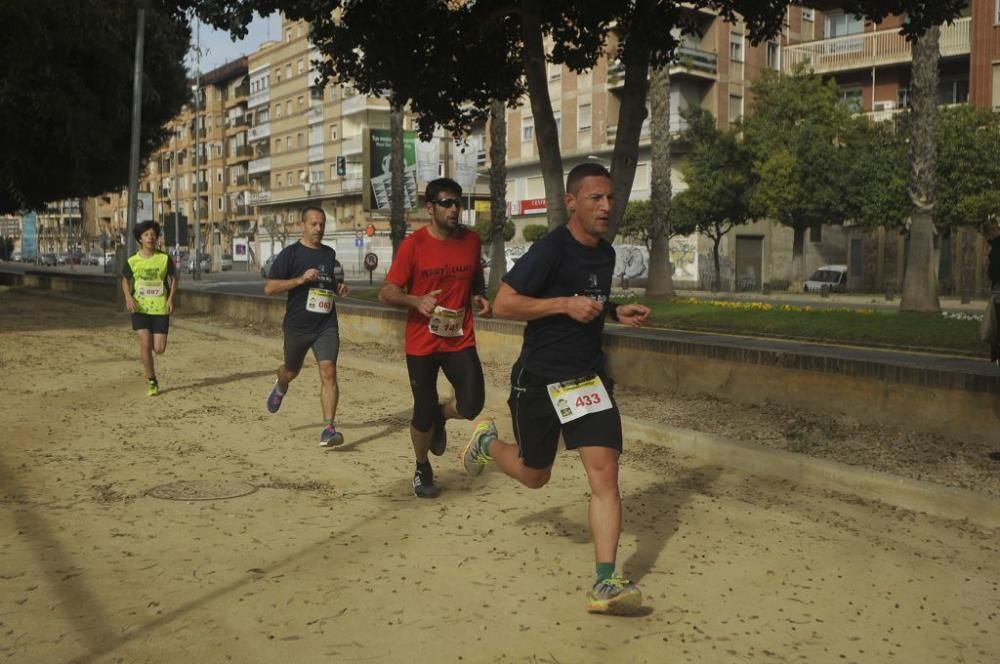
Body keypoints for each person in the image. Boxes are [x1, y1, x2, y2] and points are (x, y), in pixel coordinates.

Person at [460, 163, 652, 615]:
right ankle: (488, 441)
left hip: (587, 379)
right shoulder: (550, 249)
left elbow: (590, 301)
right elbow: (505, 304)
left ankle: (605, 582)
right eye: (596, 199)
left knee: (605, 475)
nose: (607, 207)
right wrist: (564, 304)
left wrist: (614, 312)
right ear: (572, 202)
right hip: (540, 380)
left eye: (610, 198)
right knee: (534, 475)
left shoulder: (604, 255)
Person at [379, 177, 491, 499]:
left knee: (472, 404)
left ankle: (441, 416)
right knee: (421, 411)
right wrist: (416, 301)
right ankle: (422, 465)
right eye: (446, 203)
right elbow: (387, 291)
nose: (454, 208)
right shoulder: (414, 246)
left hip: (458, 338)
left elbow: (475, 275)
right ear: (430, 208)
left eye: (457, 202)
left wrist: (480, 295)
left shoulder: (471, 240)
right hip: (422, 343)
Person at [264, 207, 350, 446]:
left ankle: (328, 429)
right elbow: (269, 288)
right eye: (313, 224)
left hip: (326, 324)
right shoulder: (290, 254)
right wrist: (300, 279)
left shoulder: (329, 254)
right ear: (302, 225)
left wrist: (340, 289)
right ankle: (281, 384)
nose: (318, 229)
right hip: (297, 326)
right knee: (291, 371)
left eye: (321, 224)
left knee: (329, 372)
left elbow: (333, 284)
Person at [121, 220, 178, 397]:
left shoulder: (164, 258)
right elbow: (125, 280)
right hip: (140, 309)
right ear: (140, 239)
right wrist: (128, 297)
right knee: (145, 344)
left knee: (159, 349)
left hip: (160, 308)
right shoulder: (132, 261)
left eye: (153, 234)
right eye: (146, 235)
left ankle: (152, 358)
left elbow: (174, 278)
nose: (151, 237)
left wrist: (170, 299)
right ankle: (152, 380)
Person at [987, 229, 1000, 365]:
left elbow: (991, 273)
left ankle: (995, 354)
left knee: (997, 325)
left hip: (998, 291)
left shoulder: (996, 246)